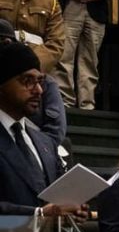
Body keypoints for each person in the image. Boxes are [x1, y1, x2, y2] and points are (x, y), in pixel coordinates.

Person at [0, 42, 80, 217]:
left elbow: (55, 202)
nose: (38, 90)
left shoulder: (45, 142)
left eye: (40, 81)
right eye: (27, 81)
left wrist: (71, 209)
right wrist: (39, 213)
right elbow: (43, 210)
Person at [36, 0, 111, 110]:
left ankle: (88, 104)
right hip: (67, 4)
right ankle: (64, 103)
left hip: (94, 8)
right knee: (63, 57)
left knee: (90, 60)